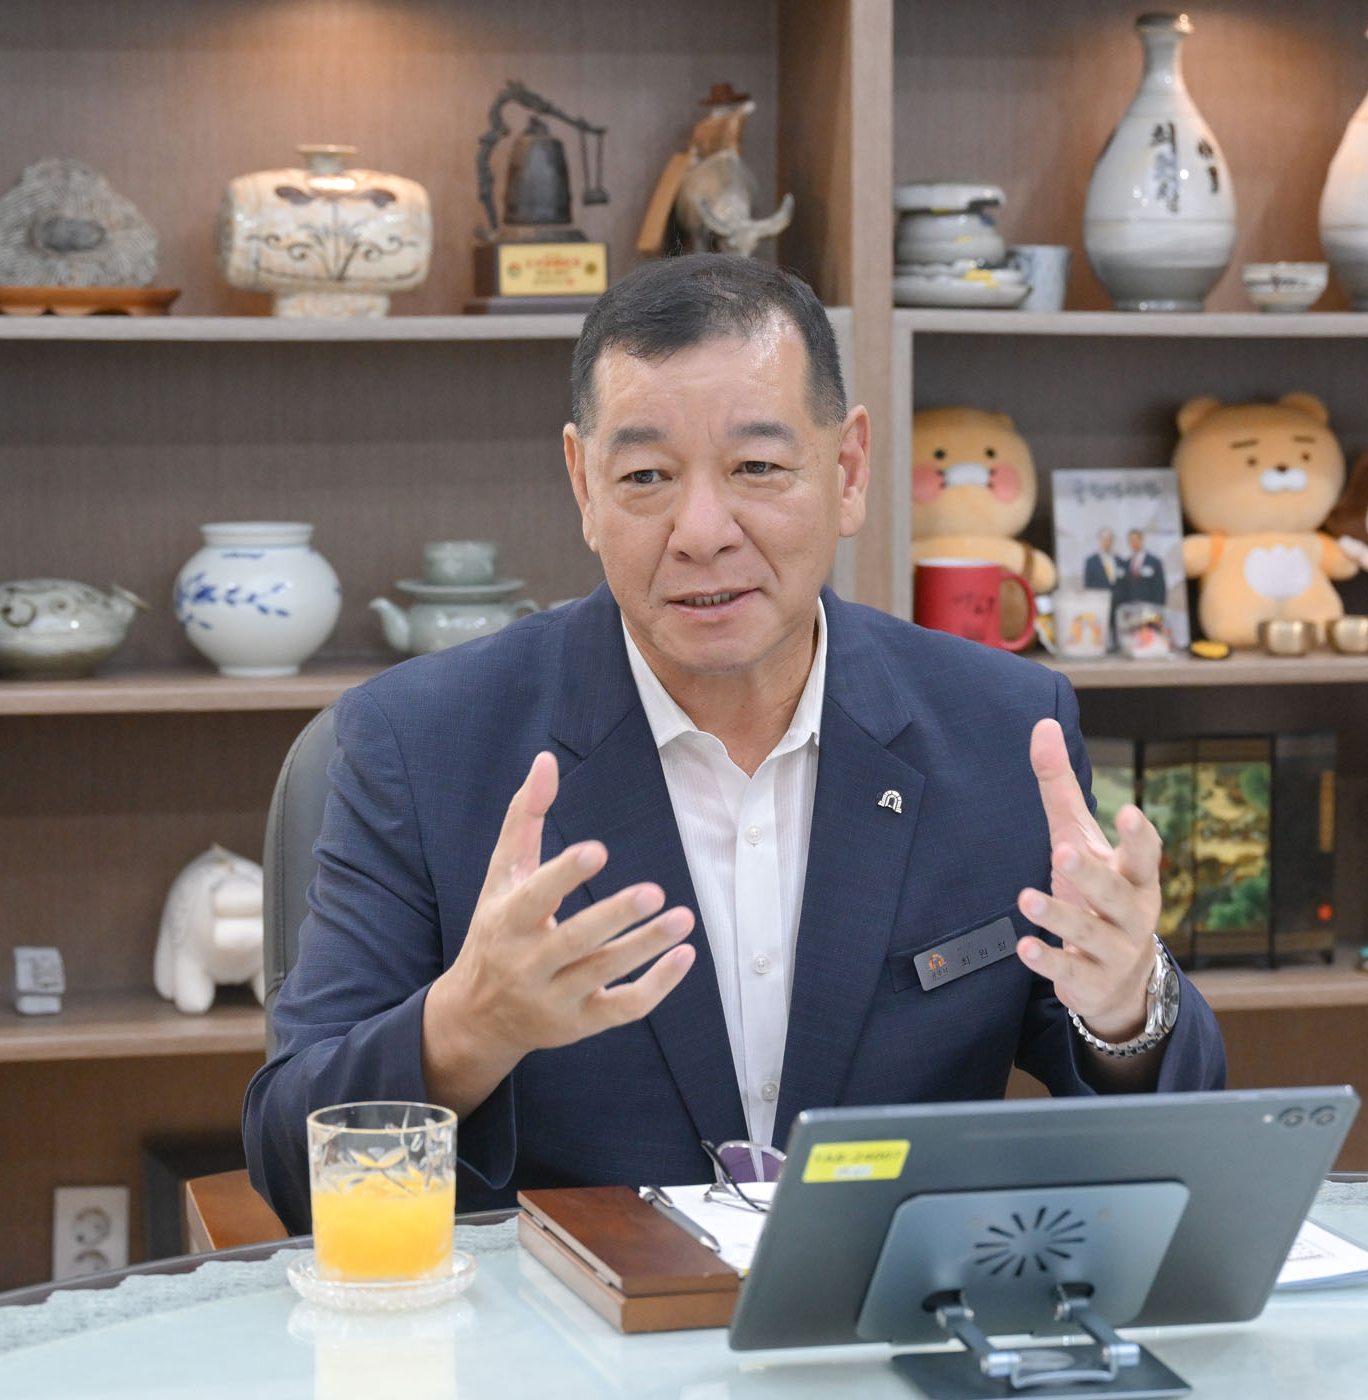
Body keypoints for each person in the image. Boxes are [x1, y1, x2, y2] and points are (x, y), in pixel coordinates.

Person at [244, 255, 1224, 1228]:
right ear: (584, 485)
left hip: (880, 1309)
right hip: (575, 1314)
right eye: (646, 477)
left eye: (757, 468)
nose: (702, 530)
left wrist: (1124, 1007)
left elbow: (1180, 1132)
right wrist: (467, 1026)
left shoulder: (1004, 728)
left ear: (847, 471)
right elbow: (291, 1158)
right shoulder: (422, 744)